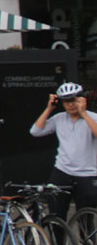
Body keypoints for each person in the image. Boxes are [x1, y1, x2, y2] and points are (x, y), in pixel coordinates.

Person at [31, 81, 97, 216]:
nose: (70, 105)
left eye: (73, 100)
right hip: (62, 171)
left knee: (85, 217)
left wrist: (83, 113)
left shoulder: (93, 117)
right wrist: (49, 108)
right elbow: (35, 131)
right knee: (56, 214)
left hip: (87, 174)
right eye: (66, 101)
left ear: (81, 99)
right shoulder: (59, 118)